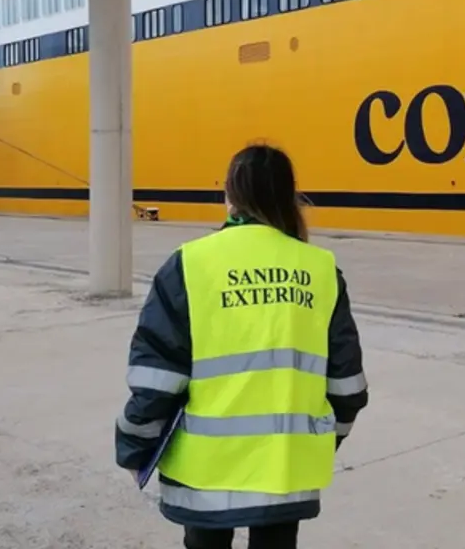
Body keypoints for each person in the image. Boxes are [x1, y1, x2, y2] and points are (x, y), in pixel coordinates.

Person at [115, 143, 369, 549]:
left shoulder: (189, 265)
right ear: (289, 198)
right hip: (286, 469)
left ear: (229, 196)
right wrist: (321, 440)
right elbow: (348, 387)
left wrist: (134, 446)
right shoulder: (320, 270)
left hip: (205, 472)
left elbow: (156, 380)